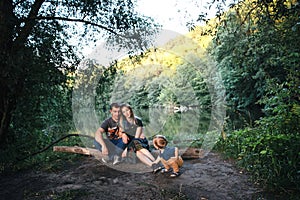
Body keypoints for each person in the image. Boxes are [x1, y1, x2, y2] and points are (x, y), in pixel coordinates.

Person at [119, 103, 156, 168]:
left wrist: (126, 149)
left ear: (130, 110)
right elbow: (121, 133)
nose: (126, 113)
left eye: (127, 110)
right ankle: (153, 165)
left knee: (137, 144)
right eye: (124, 112)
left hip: (139, 141)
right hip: (132, 144)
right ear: (122, 114)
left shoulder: (137, 120)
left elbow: (136, 138)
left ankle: (155, 161)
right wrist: (123, 133)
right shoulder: (122, 122)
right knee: (138, 152)